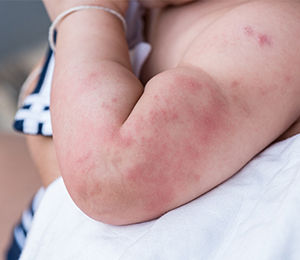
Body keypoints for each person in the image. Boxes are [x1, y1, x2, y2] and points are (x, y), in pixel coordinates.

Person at [8, 0, 300, 256]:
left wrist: (83, 16)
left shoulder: (274, 28)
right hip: (38, 219)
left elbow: (112, 170)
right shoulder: (153, 8)